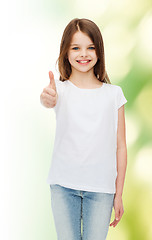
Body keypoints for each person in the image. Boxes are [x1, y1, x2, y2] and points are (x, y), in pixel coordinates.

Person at [40, 18, 127, 240]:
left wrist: (119, 194)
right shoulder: (59, 90)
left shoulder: (113, 94)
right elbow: (47, 99)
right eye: (76, 48)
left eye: (90, 47)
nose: (83, 54)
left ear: (99, 51)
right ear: (66, 52)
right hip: (63, 186)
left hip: (101, 190)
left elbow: (120, 146)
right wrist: (47, 99)